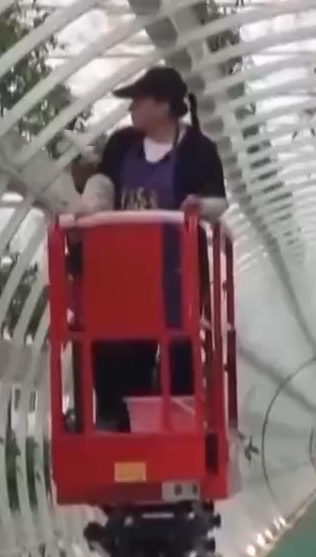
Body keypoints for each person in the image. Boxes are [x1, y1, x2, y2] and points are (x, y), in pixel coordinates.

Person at [69, 66, 228, 431]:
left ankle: (179, 426)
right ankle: (119, 421)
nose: (131, 109)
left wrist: (198, 206)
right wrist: (90, 207)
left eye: (137, 101)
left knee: (179, 348)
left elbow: (218, 201)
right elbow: (103, 183)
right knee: (116, 346)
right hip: (126, 271)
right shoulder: (122, 144)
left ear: (163, 105)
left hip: (176, 274)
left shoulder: (198, 149)